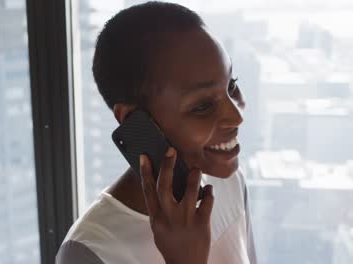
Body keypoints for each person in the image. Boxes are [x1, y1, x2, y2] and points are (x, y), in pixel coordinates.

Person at [57, 2, 257, 263]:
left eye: (231, 86)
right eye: (203, 106)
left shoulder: (228, 183)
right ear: (133, 120)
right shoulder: (89, 252)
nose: (237, 116)